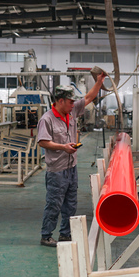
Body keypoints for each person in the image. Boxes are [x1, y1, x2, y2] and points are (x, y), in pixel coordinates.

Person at [37, 75, 106, 247]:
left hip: (71, 168)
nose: (73, 105)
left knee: (70, 204)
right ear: (60, 101)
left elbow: (89, 97)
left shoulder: (72, 111)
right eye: (69, 102)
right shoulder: (47, 119)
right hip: (57, 171)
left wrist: (99, 82)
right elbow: (43, 142)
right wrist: (63, 147)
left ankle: (65, 235)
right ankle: (46, 236)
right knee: (54, 204)